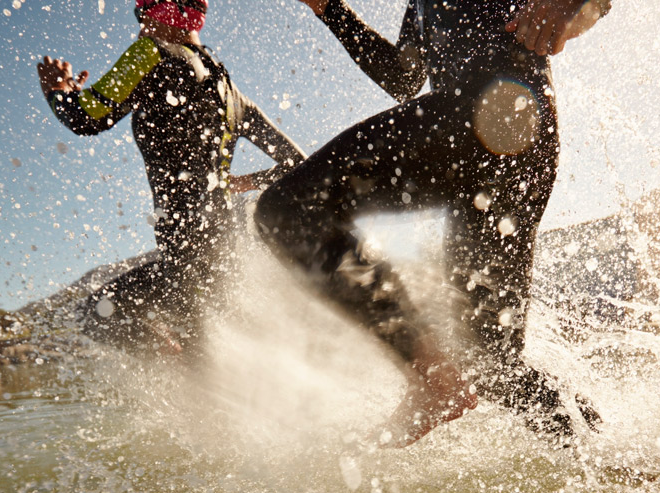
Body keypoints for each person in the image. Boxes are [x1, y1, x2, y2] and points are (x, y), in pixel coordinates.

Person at [255, 0, 609, 447]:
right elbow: (403, 77)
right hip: (496, 141)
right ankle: (607, 456)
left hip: (499, 111)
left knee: (288, 210)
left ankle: (433, 377)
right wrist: (330, 9)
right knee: (492, 365)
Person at [38, 0, 305, 355]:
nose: (139, 25)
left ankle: (173, 359)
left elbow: (85, 118)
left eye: (142, 13)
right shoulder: (231, 93)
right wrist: (232, 183)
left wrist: (57, 91)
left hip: (185, 257)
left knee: (96, 315)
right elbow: (298, 165)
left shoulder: (150, 54)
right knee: (210, 359)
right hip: (227, 255)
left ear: (161, 12)